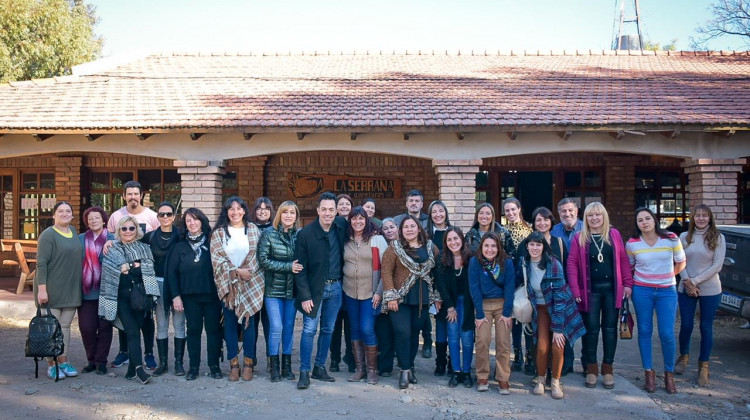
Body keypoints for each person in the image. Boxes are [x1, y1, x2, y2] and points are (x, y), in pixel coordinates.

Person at [567, 202, 633, 390]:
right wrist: (575, 290)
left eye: (598, 215)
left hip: (612, 291)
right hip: (590, 292)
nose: (594, 218)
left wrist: (628, 284)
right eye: (590, 215)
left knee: (610, 329)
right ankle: (591, 369)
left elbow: (622, 260)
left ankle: (608, 368)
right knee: (591, 329)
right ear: (585, 218)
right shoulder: (580, 237)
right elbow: (572, 265)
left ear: (604, 216)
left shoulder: (614, 235)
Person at [626, 207, 686, 394]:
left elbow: (681, 261)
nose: (644, 222)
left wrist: (669, 276)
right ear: (637, 225)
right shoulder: (632, 244)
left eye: (647, 218)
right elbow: (630, 267)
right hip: (642, 291)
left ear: (654, 219)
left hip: (667, 291)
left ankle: (668, 374)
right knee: (644, 331)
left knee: (667, 333)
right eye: (640, 220)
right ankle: (649, 374)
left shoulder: (671, 238)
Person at [521, 232, 585, 399]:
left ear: (544, 247)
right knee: (541, 346)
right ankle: (541, 380)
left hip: (558, 307)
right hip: (540, 309)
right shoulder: (525, 264)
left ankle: (555, 381)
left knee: (558, 344)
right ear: (527, 246)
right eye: (532, 244)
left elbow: (560, 298)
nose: (535, 248)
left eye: (538, 244)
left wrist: (558, 328)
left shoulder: (553, 264)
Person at [294, 192, 346, 390]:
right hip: (314, 290)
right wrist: (305, 296)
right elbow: (300, 269)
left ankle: (319, 367)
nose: (327, 213)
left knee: (328, 330)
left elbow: (363, 226)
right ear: (317, 211)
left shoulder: (341, 227)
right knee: (309, 330)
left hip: (336, 288)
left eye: (331, 210)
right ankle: (304, 371)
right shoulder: (305, 234)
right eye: (323, 209)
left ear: (336, 212)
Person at [382, 215, 440, 389]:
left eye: (412, 226)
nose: (409, 229)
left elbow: (439, 271)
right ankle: (404, 370)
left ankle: (411, 366)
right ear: (401, 230)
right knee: (402, 332)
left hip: (422, 298)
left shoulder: (431, 247)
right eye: (405, 227)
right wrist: (391, 295)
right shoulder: (394, 248)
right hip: (400, 298)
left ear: (418, 228)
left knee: (415, 334)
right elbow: (386, 272)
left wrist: (438, 296)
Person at [210, 197, 265, 382]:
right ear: (226, 212)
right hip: (229, 287)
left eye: (238, 208)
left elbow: (259, 256)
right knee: (230, 325)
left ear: (244, 211)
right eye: (231, 209)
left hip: (251, 284)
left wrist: (245, 273)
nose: (235, 212)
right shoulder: (219, 233)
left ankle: (249, 363)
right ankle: (234, 364)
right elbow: (216, 259)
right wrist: (236, 272)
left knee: (249, 326)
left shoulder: (253, 230)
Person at [99, 216, 159, 384]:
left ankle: (132, 370)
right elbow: (109, 273)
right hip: (120, 299)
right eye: (124, 228)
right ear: (119, 231)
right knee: (132, 332)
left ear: (136, 230)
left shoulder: (144, 249)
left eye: (131, 228)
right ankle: (140, 370)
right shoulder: (112, 249)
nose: (127, 232)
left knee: (135, 332)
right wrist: (135, 266)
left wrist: (130, 267)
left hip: (140, 298)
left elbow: (149, 270)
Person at [107, 180, 159, 370]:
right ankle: (124, 352)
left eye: (136, 193)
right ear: (124, 196)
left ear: (141, 195)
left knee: (146, 317)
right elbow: (111, 239)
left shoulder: (152, 216)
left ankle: (149, 353)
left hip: (144, 276)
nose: (133, 197)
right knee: (125, 316)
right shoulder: (116, 216)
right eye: (129, 194)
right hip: (123, 279)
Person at [167, 208, 222, 381]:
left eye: (195, 220)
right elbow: (171, 273)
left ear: (202, 221)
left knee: (214, 331)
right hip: (190, 297)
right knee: (193, 331)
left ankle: (214, 366)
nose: (192, 223)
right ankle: (194, 367)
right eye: (188, 221)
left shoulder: (213, 242)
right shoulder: (179, 246)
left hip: (212, 296)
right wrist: (175, 296)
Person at [675, 204, 726, 387]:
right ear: (693, 218)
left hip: (710, 288)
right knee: (686, 325)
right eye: (698, 216)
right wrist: (688, 281)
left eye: (705, 216)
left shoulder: (718, 238)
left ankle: (703, 366)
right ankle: (684, 356)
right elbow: (680, 260)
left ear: (710, 218)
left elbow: (717, 265)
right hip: (686, 286)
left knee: (706, 327)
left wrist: (695, 282)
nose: (701, 218)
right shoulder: (684, 237)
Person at [35, 201, 84, 380]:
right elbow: (41, 263)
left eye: (68, 211)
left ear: (72, 215)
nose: (64, 214)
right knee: (51, 328)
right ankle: (52, 364)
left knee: (65, 327)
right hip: (50, 289)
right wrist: (42, 290)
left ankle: (63, 361)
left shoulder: (73, 233)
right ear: (54, 215)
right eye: (60, 211)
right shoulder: (48, 235)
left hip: (70, 289)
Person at [342, 206, 389, 384]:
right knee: (354, 330)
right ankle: (359, 369)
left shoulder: (377, 239)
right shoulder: (346, 240)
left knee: (367, 329)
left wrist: (379, 292)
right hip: (350, 292)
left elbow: (386, 268)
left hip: (371, 293)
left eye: (361, 218)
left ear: (366, 220)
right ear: (350, 221)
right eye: (354, 219)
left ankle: (372, 370)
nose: (358, 222)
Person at [528, 206, 576, 377]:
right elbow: (523, 269)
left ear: (551, 221)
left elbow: (569, 267)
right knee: (540, 340)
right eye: (538, 220)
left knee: (560, 337)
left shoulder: (560, 242)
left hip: (558, 298)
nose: (542, 223)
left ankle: (559, 370)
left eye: (546, 219)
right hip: (538, 301)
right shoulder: (528, 242)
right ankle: (540, 370)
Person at [258, 200, 303, 382]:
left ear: (296, 216)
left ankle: (286, 367)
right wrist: (288, 267)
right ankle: (274, 367)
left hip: (291, 291)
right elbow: (263, 260)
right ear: (279, 215)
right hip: (273, 290)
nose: (288, 216)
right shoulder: (269, 234)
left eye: (292, 212)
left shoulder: (299, 236)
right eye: (285, 212)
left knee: (289, 328)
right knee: (276, 327)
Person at [142, 202, 186, 377]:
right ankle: (163, 363)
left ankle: (178, 363)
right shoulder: (150, 237)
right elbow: (130, 243)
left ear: (174, 217)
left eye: (169, 214)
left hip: (179, 285)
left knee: (179, 324)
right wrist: (110, 243)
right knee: (161, 323)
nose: (165, 217)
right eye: (162, 214)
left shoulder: (181, 236)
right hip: (158, 283)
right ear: (157, 217)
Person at [468, 232, 515, 394]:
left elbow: (510, 287)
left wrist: (507, 312)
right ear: (481, 247)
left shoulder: (506, 262)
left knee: (503, 342)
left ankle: (503, 378)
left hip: (503, 304)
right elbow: (474, 288)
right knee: (482, 341)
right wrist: (479, 314)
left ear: (498, 247)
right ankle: (482, 376)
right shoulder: (475, 262)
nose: (490, 249)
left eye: (493, 246)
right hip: (483, 305)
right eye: (486, 245)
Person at [434, 226, 475, 388]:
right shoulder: (442, 259)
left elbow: (474, 282)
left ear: (462, 239)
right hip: (450, 302)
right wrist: (450, 307)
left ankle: (466, 372)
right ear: (445, 242)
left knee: (466, 337)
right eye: (449, 240)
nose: (453, 242)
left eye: (456, 238)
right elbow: (441, 284)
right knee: (452, 336)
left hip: (467, 302)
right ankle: (456, 372)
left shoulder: (471, 256)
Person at [77, 206, 115, 376]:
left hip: (107, 291)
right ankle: (91, 359)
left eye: (97, 218)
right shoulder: (80, 239)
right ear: (87, 222)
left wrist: (114, 243)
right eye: (90, 218)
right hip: (87, 292)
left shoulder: (113, 238)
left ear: (104, 220)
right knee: (87, 328)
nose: (93, 221)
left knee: (105, 327)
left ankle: (101, 362)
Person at [504, 197, 534, 375]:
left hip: (526, 279)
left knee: (528, 317)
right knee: (514, 319)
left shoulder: (530, 230)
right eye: (507, 210)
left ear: (519, 209)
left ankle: (530, 357)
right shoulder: (503, 231)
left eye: (513, 209)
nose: (510, 213)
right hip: (510, 280)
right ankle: (518, 355)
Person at [425, 200, 452, 375]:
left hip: (453, 286)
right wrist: (436, 294)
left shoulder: (453, 233)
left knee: (453, 326)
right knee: (441, 325)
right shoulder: (427, 235)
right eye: (434, 212)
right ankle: (440, 361)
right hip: (435, 287)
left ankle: (453, 361)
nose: (438, 215)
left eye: (441, 211)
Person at [330, 194, 355, 373]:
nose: (345, 206)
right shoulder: (333, 225)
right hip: (336, 280)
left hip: (352, 282)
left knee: (351, 323)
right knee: (335, 323)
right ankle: (334, 358)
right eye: (341, 204)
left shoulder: (356, 224)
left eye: (348, 204)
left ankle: (351, 357)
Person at [249, 196, 274, 370]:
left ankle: (271, 358)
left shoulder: (276, 230)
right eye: (259, 208)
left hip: (270, 283)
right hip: (251, 283)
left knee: (269, 323)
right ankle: (250, 357)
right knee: (251, 323)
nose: (262, 211)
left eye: (266, 208)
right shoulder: (248, 230)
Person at [375, 217, 399, 377]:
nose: (389, 230)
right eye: (385, 228)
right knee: (384, 332)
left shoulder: (405, 246)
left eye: (392, 227)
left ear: (397, 228)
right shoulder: (381, 246)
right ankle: (385, 366)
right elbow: (384, 274)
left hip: (402, 296)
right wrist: (379, 292)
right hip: (383, 295)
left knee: (401, 332)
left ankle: (406, 366)